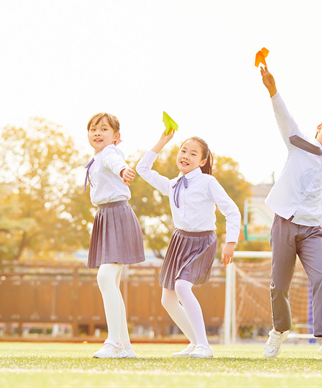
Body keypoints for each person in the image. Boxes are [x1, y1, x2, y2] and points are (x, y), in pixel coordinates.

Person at [259, 65, 322, 360]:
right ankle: (279, 331)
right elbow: (284, 119)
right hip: (285, 223)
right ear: (319, 129)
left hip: (312, 229)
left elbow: (319, 200)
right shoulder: (299, 143)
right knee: (279, 285)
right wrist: (273, 90)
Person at [136, 131, 240, 358]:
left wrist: (230, 242)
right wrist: (162, 140)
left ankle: (204, 345)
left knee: (182, 287)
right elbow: (142, 170)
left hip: (203, 241)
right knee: (167, 298)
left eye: (193, 154)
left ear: (202, 161)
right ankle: (195, 343)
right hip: (178, 241)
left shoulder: (208, 182)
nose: (186, 156)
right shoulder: (172, 184)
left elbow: (231, 211)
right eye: (183, 151)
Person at [84, 112, 145, 359]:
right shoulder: (97, 157)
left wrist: (123, 171)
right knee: (111, 281)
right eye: (93, 129)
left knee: (105, 277)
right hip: (105, 216)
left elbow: (115, 163)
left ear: (116, 137)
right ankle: (125, 346)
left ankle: (114, 342)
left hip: (117, 215)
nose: (97, 133)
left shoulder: (110, 153)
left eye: (103, 129)